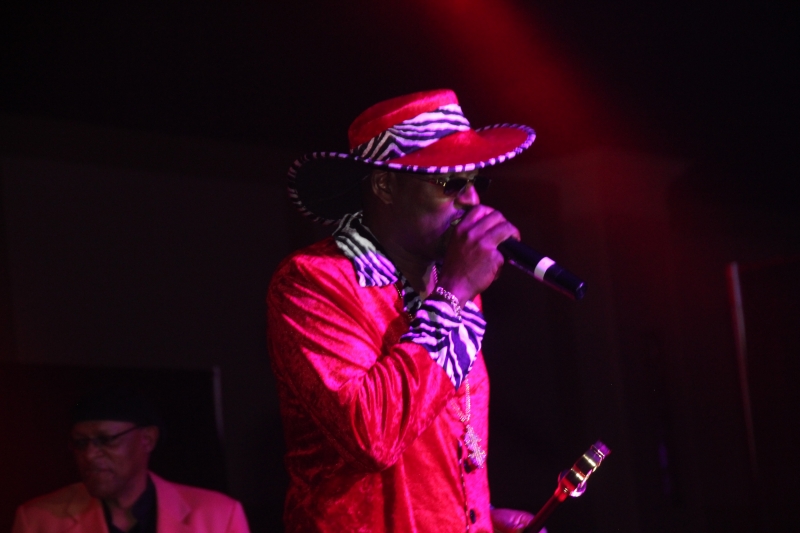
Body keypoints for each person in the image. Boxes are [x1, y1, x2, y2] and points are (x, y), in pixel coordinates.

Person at [267, 89, 543, 532]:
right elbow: (373, 437)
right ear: (385, 186)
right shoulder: (313, 281)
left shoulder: (453, 289)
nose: (473, 201)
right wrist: (455, 292)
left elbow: (431, 462)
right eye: (451, 184)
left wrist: (478, 521)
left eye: (477, 182)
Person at [12, 387, 250, 533]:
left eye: (106, 440)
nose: (89, 455)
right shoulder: (37, 520)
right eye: (81, 443)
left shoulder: (218, 516)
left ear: (147, 439)